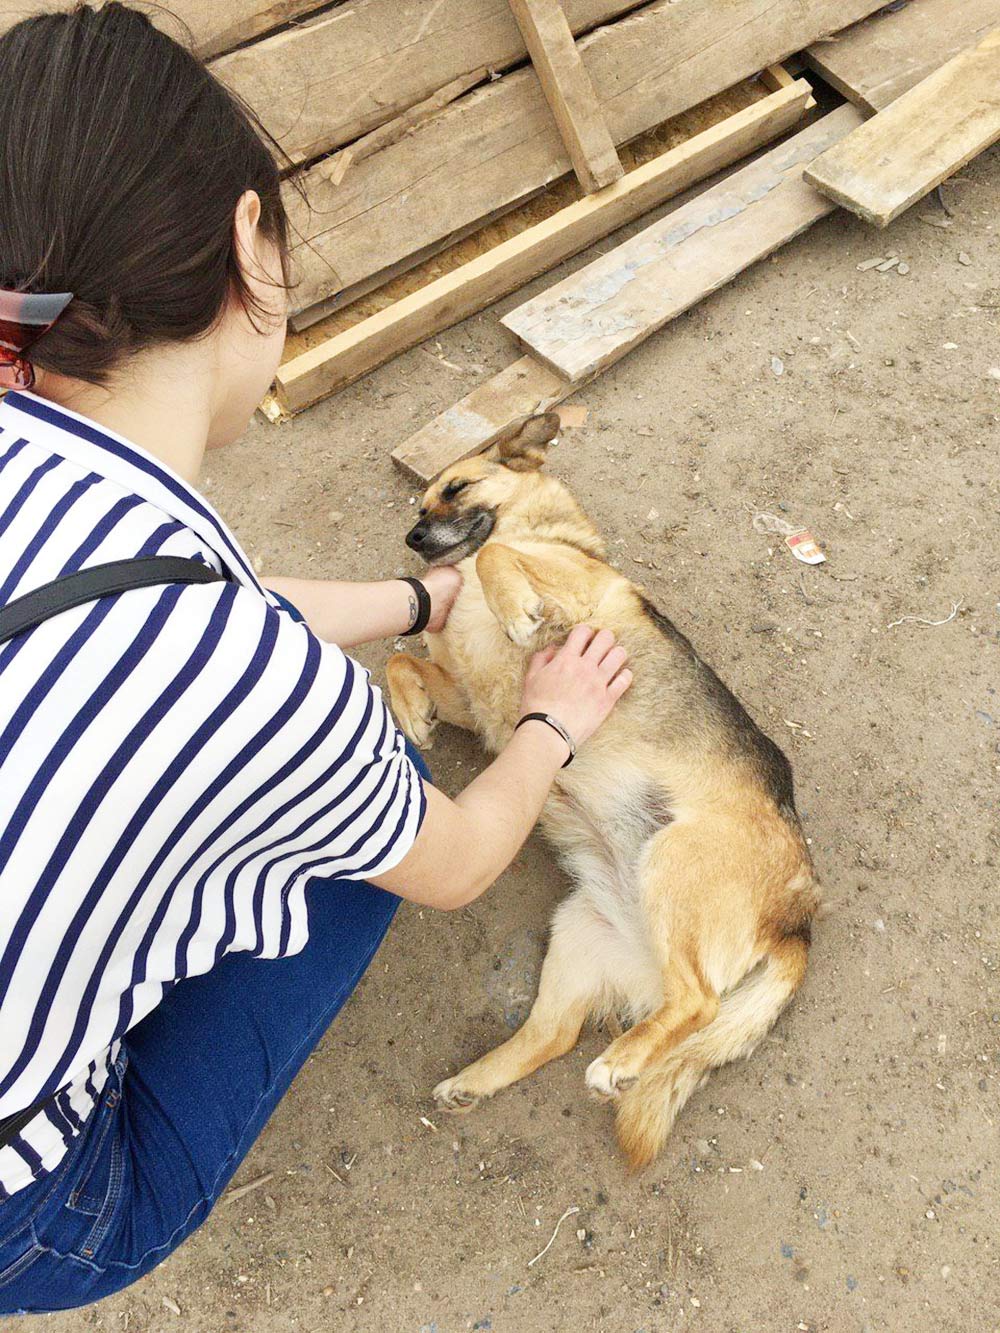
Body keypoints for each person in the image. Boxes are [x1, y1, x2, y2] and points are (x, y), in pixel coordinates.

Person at [0, 5, 632, 1313]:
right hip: (33, 1217)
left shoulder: (69, 495)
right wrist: (548, 724)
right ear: (251, 247)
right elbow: (456, 861)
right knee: (372, 822)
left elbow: (192, 607)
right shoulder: (252, 682)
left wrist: (414, 597)